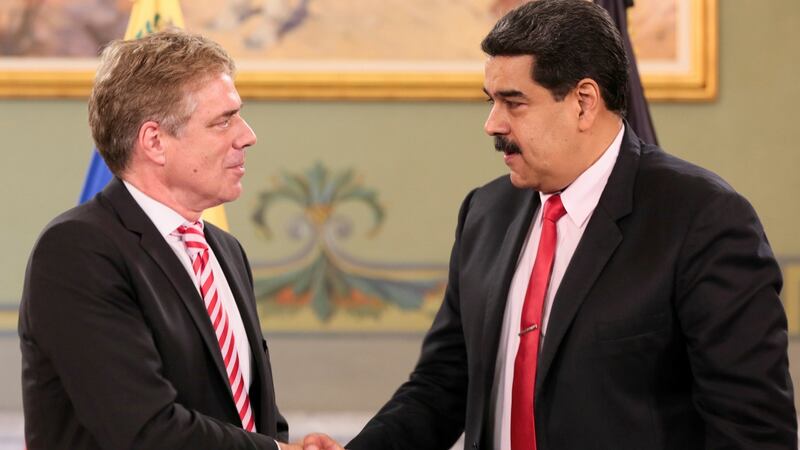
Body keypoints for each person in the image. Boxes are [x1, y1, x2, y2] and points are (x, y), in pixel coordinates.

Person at [305, 1, 797, 449]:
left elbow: (752, 430)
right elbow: (442, 384)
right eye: (490, 101)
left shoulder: (702, 219)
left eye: (514, 102)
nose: (493, 124)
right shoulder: (485, 213)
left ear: (584, 102)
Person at [19, 30, 303, 450]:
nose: (247, 136)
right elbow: (143, 430)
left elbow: (251, 415)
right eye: (223, 120)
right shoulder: (77, 251)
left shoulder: (224, 250)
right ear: (154, 142)